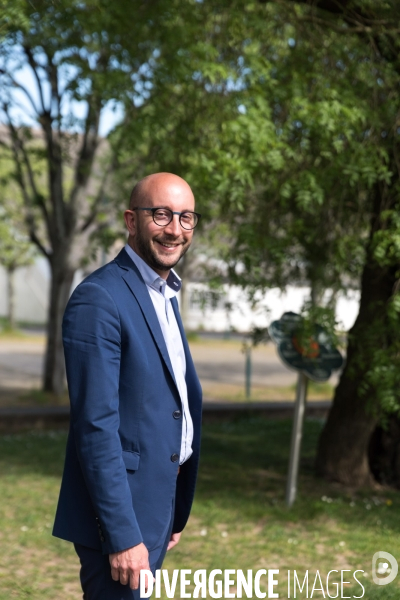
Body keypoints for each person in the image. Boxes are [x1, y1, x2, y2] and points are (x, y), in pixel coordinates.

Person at [53, 172, 203, 599]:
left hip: (157, 504)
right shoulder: (99, 297)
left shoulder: (163, 292)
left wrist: (171, 510)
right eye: (161, 214)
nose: (175, 229)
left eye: (186, 217)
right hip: (122, 519)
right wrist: (122, 535)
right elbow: (95, 427)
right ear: (130, 220)